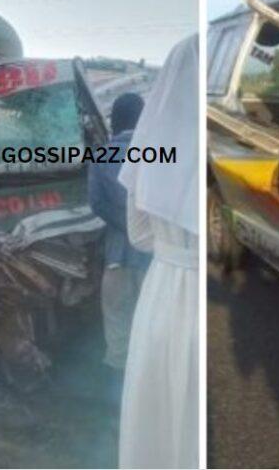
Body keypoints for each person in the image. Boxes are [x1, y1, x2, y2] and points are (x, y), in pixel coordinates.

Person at [117, 35, 199, 469]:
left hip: (165, 294)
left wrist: (174, 250)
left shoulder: (150, 148)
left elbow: (138, 235)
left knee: (160, 425)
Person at [88, 92, 151, 375]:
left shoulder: (101, 155)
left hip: (117, 258)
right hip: (154, 260)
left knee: (117, 325)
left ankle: (118, 394)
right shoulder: (159, 153)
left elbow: (97, 203)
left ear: (115, 120)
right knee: (151, 327)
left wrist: (124, 225)